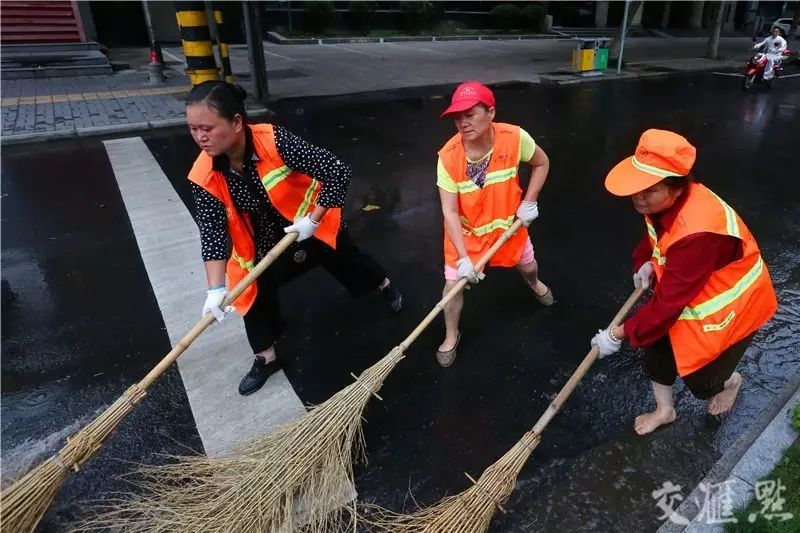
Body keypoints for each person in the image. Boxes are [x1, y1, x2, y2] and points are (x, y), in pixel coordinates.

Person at [186, 81, 403, 396]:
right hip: (260, 234)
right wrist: (216, 289)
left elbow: (336, 170)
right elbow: (212, 230)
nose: (200, 137)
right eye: (192, 129)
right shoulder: (203, 173)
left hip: (306, 219)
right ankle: (266, 356)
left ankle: (383, 283)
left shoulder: (273, 141)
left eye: (207, 127)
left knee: (346, 257)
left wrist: (313, 221)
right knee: (253, 287)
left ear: (236, 123)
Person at [590, 129, 777, 435]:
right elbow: (658, 239)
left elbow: (666, 307)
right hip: (688, 287)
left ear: (676, 188)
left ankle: (730, 382)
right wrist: (648, 262)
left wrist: (618, 333)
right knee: (656, 346)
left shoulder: (700, 232)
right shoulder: (662, 203)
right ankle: (665, 410)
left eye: (648, 190)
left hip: (732, 306)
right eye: (637, 186)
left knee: (702, 382)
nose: (638, 196)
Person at [435, 81, 554, 367]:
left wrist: (529, 202)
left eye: (469, 114)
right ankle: (451, 335)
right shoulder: (448, 157)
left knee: (528, 265)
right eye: (457, 117)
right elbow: (449, 212)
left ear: (491, 113)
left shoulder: (514, 137)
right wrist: (464, 259)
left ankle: (535, 284)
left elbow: (542, 162)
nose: (462, 123)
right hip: (466, 235)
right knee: (452, 288)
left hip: (508, 228)